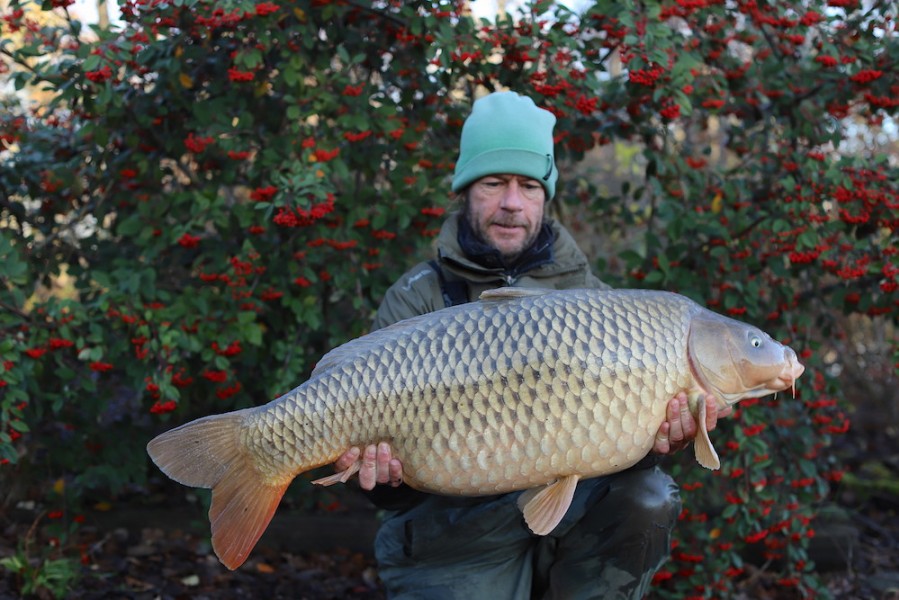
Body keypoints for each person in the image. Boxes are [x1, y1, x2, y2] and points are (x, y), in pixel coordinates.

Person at [334, 91, 729, 599]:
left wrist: (663, 441)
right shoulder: (416, 300)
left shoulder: (602, 306)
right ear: (465, 191)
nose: (512, 203)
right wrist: (385, 477)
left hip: (571, 519)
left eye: (528, 185)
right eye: (494, 182)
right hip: (453, 534)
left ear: (545, 196)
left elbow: (622, 455)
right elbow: (388, 499)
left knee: (647, 495)